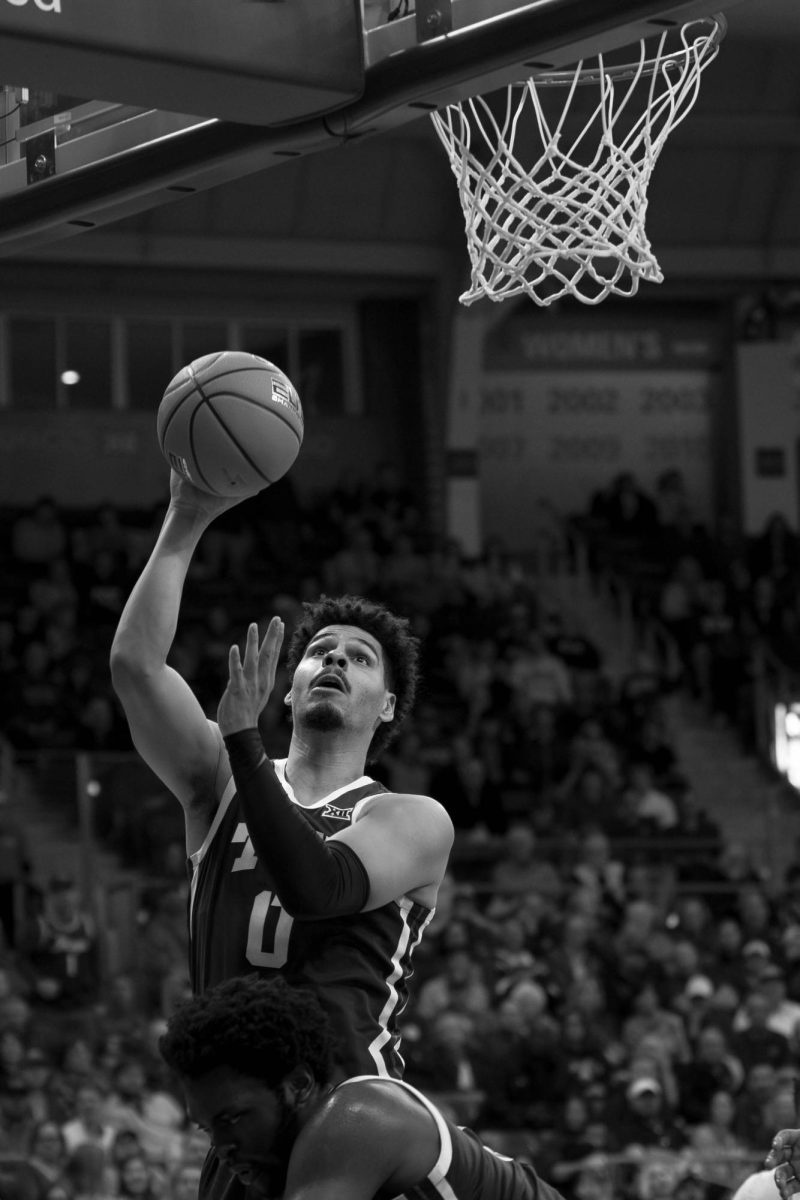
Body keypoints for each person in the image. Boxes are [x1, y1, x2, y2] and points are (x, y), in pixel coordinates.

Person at [109, 470, 454, 1079]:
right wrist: (186, 517)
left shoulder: (411, 819)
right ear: (289, 693)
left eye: (361, 657)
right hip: (236, 1117)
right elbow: (136, 667)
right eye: (320, 651)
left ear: (388, 706)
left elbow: (317, 886)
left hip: (353, 1116)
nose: (337, 658)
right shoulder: (217, 777)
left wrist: (243, 741)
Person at [158, 971, 568, 1200]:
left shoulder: (357, 1118)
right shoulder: (264, 1170)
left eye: (232, 1118)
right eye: (208, 1128)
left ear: (298, 1084)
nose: (222, 1146)